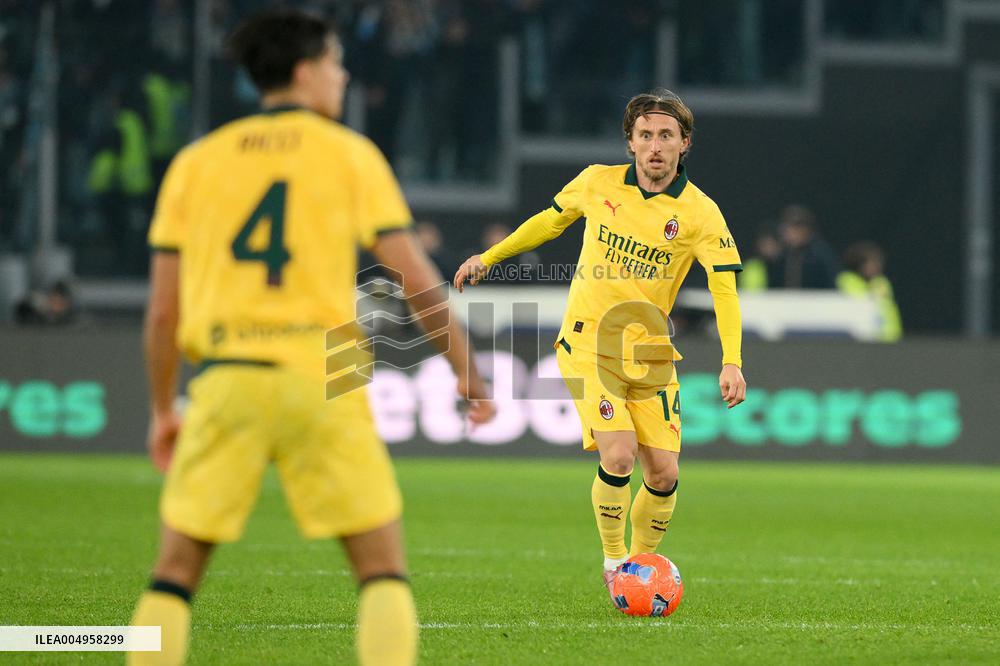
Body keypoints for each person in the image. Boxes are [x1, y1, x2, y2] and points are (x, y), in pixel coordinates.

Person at [129, 10, 495, 666]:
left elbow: (161, 313)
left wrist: (163, 409)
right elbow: (416, 280)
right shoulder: (351, 156)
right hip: (326, 377)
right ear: (303, 72)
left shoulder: (196, 163)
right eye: (334, 62)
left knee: (174, 574)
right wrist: (466, 372)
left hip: (228, 375)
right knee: (382, 570)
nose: (344, 74)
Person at [454, 89, 746, 602]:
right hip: (589, 343)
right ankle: (616, 566)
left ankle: (641, 563)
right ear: (630, 143)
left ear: (685, 145)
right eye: (646, 135)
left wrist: (731, 361)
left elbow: (724, 288)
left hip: (652, 352)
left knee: (664, 471)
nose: (655, 146)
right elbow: (549, 222)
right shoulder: (597, 182)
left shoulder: (701, 215)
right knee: (619, 455)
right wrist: (491, 256)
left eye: (666, 136)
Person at [837, 241, 902, 342]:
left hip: (889, 340)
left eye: (878, 262)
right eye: (872, 262)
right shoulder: (846, 281)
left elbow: (889, 312)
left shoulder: (882, 283)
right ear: (859, 264)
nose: (877, 266)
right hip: (862, 343)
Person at [769, 204, 839, 289]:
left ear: (804, 230)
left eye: (792, 230)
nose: (787, 234)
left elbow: (831, 282)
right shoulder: (782, 255)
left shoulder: (821, 255)